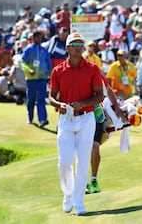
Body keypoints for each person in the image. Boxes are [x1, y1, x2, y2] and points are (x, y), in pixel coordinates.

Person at [49, 32, 104, 216]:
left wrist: (84, 103)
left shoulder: (92, 68)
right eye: (74, 44)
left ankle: (79, 202)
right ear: (67, 48)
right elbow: (51, 96)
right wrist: (59, 104)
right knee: (64, 162)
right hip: (66, 119)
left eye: (81, 43)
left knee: (82, 162)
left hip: (87, 118)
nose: (79, 46)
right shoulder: (58, 70)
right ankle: (68, 195)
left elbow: (100, 95)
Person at [86, 74, 127, 194]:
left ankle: (93, 180)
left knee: (95, 146)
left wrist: (117, 108)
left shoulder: (94, 71)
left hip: (97, 115)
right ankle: (82, 182)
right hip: (80, 116)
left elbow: (108, 89)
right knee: (82, 150)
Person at [21, 30, 52, 127]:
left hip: (42, 78)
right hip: (31, 79)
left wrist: (50, 74)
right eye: (37, 37)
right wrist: (29, 70)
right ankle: (30, 117)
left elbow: (48, 63)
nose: (39, 39)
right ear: (33, 38)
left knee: (41, 99)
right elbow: (23, 63)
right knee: (30, 99)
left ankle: (43, 119)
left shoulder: (44, 50)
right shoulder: (28, 49)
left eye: (40, 38)